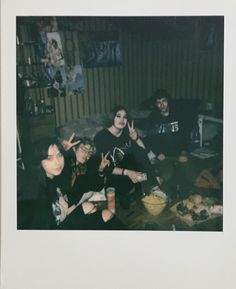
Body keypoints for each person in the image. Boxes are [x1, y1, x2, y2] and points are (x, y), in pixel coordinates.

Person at [20, 137, 125, 230]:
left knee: (99, 210)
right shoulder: (60, 170)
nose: (86, 154)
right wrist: (64, 152)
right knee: (96, 211)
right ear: (74, 149)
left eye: (89, 153)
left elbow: (96, 186)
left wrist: (101, 169)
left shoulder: (84, 170)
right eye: (83, 149)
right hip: (57, 226)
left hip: (65, 211)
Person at [94, 105, 158, 208]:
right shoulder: (101, 137)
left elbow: (143, 151)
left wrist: (136, 137)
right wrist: (129, 173)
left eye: (125, 117)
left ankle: (152, 185)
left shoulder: (126, 132)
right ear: (112, 118)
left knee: (139, 155)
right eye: (118, 116)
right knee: (126, 193)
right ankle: (143, 182)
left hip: (128, 168)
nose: (122, 120)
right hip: (114, 174)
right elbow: (105, 167)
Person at [144, 89, 197, 196]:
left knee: (193, 175)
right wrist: (158, 153)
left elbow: (185, 136)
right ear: (155, 104)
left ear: (168, 101)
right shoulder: (152, 118)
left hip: (179, 153)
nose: (162, 105)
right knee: (167, 175)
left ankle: (192, 195)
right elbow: (149, 140)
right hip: (164, 156)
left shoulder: (179, 115)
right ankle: (164, 198)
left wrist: (183, 152)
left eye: (164, 101)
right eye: (158, 102)